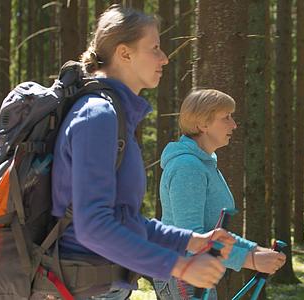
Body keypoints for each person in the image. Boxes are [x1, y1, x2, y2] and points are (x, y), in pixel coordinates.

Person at [42, 6, 235, 300]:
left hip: (96, 284)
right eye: (155, 48)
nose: (164, 58)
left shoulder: (114, 117)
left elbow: (125, 219)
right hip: (78, 287)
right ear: (125, 53)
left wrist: (192, 241)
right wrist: (179, 266)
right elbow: (92, 226)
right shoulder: (99, 116)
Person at [153, 89, 286, 300]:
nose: (234, 125)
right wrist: (250, 260)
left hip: (195, 272)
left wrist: (256, 250)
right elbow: (191, 237)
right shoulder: (188, 167)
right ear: (203, 124)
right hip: (183, 272)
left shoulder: (203, 163)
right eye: (226, 118)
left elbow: (214, 231)